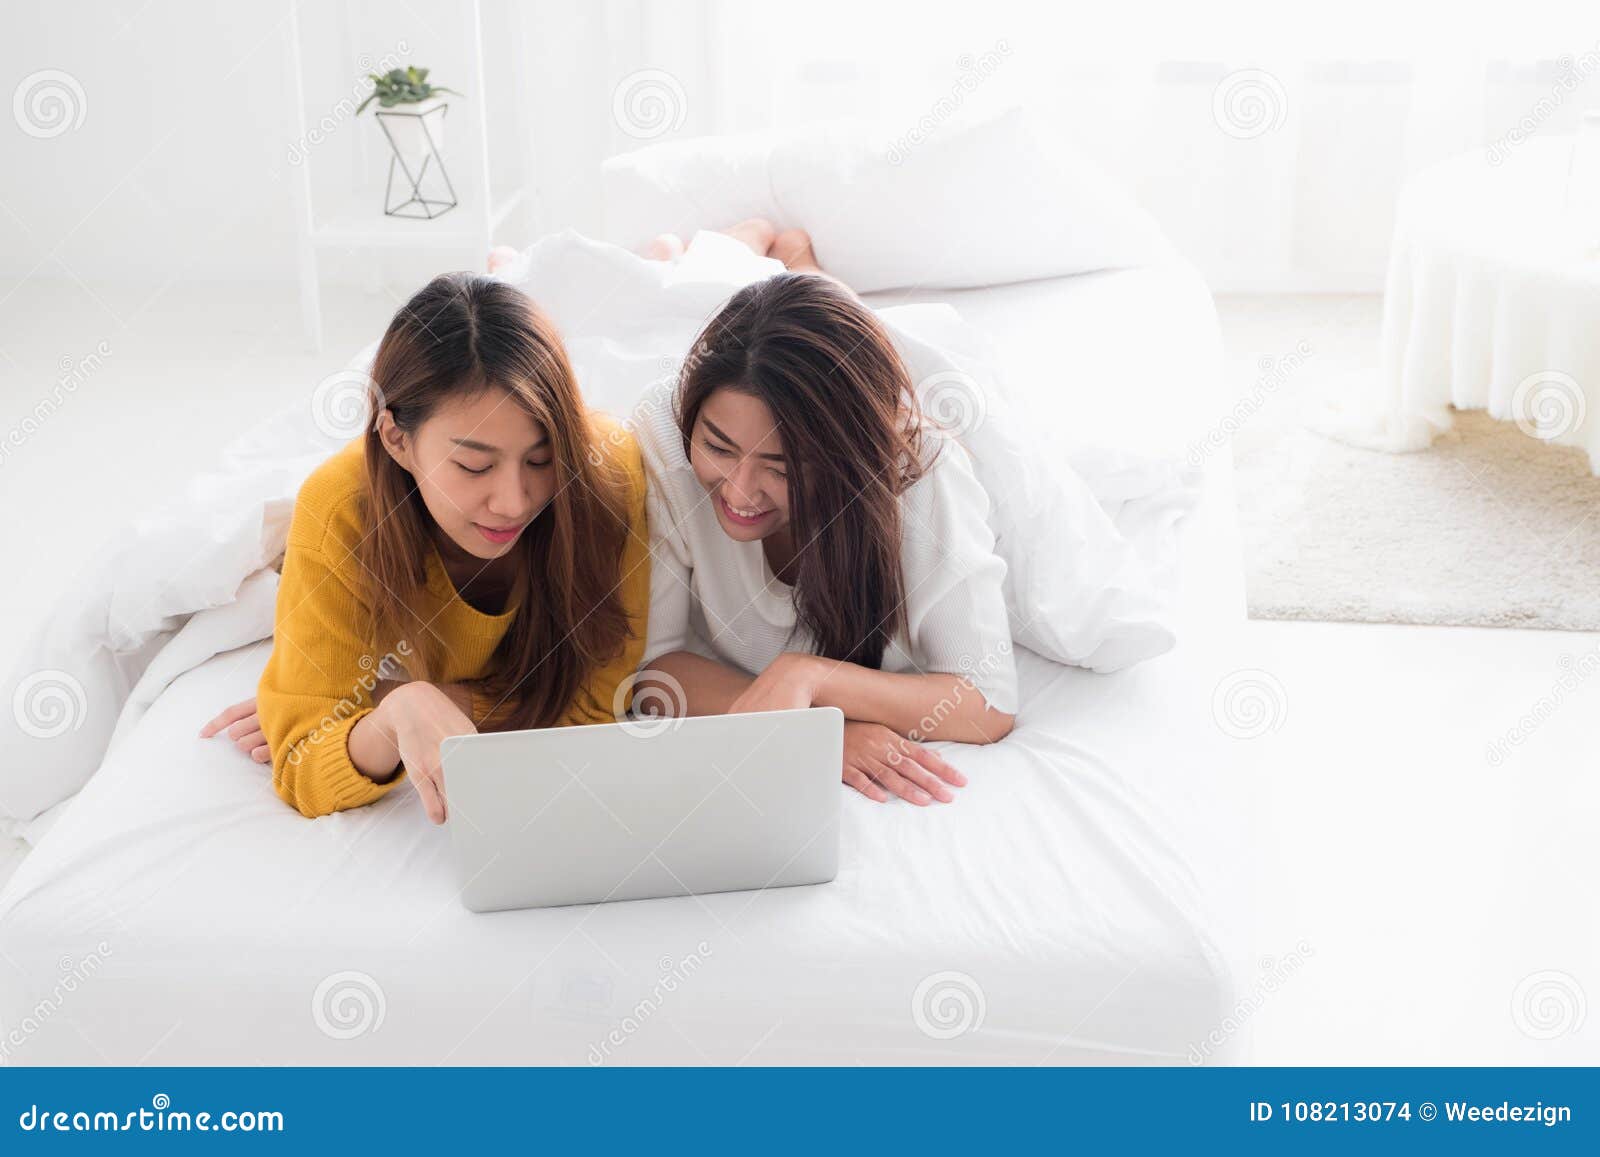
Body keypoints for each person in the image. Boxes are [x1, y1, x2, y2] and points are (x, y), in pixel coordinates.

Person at [201, 272, 650, 823]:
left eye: (541, 458)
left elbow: (595, 706)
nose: (514, 502)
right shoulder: (337, 512)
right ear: (397, 440)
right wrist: (394, 714)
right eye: (474, 465)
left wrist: (418, 697)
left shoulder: (607, 470)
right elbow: (300, 762)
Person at [630, 227, 1017, 807]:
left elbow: (987, 705)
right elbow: (651, 674)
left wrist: (808, 677)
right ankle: (739, 248)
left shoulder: (923, 474)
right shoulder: (664, 431)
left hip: (861, 385)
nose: (740, 491)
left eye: (782, 468)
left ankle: (793, 255)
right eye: (717, 447)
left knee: (836, 308)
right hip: (766, 340)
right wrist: (821, 730)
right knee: (682, 278)